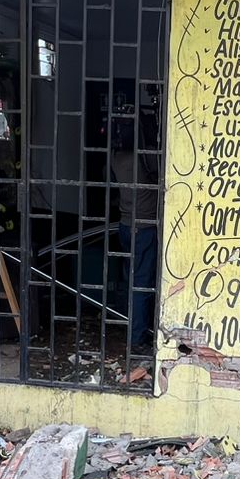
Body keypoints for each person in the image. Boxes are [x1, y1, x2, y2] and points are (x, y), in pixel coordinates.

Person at [111, 109, 159, 351]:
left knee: (131, 280)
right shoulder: (147, 157)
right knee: (142, 284)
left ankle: (133, 328)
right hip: (145, 228)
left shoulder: (117, 157)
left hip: (126, 225)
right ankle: (138, 339)